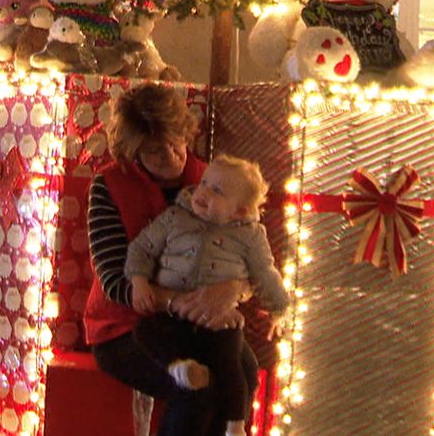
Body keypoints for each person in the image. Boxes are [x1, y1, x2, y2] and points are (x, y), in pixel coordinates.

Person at [84, 83, 261, 436]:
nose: (170, 155)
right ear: (132, 151)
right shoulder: (109, 186)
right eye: (154, 150)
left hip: (198, 326)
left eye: (174, 141)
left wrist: (234, 290)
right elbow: (116, 281)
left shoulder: (212, 180)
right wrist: (185, 303)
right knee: (196, 388)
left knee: (244, 371)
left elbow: (252, 253)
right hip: (126, 328)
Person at [126, 155, 289, 436]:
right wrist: (139, 281)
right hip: (172, 315)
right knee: (147, 333)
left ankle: (235, 425)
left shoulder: (250, 235)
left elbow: (264, 272)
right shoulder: (176, 217)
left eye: (217, 191)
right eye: (204, 183)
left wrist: (279, 307)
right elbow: (141, 248)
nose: (203, 192)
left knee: (232, 365)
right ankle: (179, 367)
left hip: (217, 319)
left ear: (239, 211)